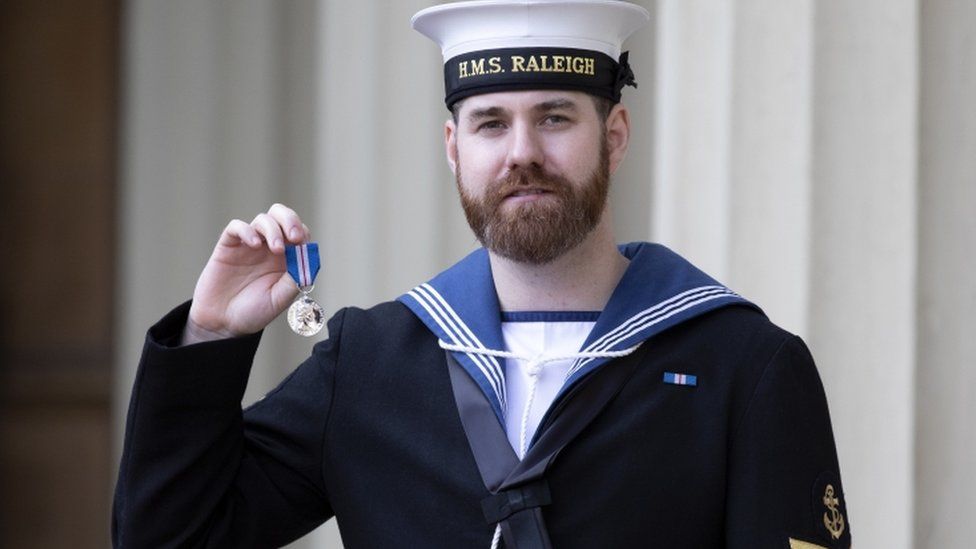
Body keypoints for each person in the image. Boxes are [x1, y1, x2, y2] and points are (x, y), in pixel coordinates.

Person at [113, 1, 851, 548]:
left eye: (555, 117)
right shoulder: (367, 366)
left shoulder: (741, 366)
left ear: (615, 136)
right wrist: (208, 335)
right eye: (491, 123)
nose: (520, 151)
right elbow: (170, 537)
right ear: (453, 146)